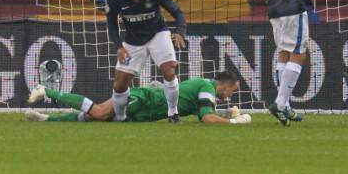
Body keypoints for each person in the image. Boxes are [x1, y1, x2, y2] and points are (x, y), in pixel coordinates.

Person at [107, 0, 186, 123]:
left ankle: (173, 113)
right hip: (133, 40)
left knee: (169, 69)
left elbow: (178, 13)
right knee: (120, 84)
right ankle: (121, 117)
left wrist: (179, 32)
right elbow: (111, 24)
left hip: (158, 34)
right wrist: (119, 46)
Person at [26, 72, 252, 124]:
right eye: (232, 91)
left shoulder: (206, 92)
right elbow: (206, 118)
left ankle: (45, 120)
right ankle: (47, 91)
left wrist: (227, 112)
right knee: (99, 112)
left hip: (145, 114)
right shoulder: (206, 87)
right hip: (144, 100)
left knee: (97, 119)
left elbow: (206, 112)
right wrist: (234, 121)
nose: (230, 95)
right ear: (224, 85)